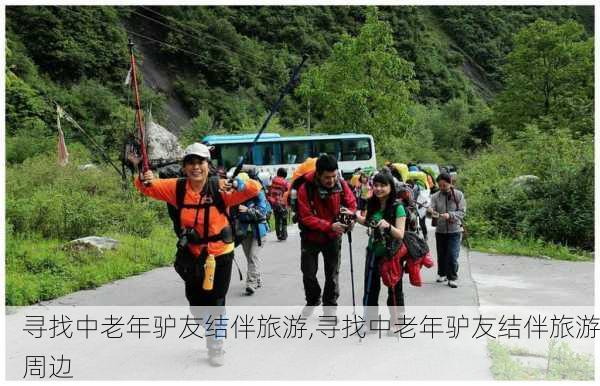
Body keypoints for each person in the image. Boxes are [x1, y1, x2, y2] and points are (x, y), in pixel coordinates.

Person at [129, 143, 261, 367]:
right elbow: (147, 187)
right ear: (184, 166)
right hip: (192, 254)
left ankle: (215, 344)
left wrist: (241, 182)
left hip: (220, 253)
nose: (196, 167)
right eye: (190, 163)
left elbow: (254, 189)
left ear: (207, 165)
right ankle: (211, 329)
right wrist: (143, 177)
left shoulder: (221, 187)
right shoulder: (177, 188)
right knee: (196, 303)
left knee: (216, 301)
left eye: (200, 162)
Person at [296, 154, 356, 316]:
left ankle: (330, 308)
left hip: (333, 238)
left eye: (334, 176)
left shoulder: (341, 185)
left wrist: (349, 217)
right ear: (318, 174)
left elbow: (352, 204)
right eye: (327, 177)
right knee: (308, 273)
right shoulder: (305, 188)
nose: (331, 180)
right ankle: (313, 299)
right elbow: (306, 217)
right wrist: (329, 226)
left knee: (332, 274)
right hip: (311, 237)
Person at [351, 171, 406, 334]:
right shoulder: (372, 204)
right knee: (370, 287)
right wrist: (354, 216)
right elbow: (368, 222)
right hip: (373, 251)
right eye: (376, 185)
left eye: (383, 185)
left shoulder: (398, 207)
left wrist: (387, 226)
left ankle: (397, 322)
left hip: (391, 254)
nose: (379, 188)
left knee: (394, 288)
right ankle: (370, 322)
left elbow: (400, 234)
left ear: (390, 187)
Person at [234, 171, 271, 296]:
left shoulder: (258, 193)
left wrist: (247, 210)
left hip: (259, 231)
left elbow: (262, 211)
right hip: (244, 232)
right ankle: (258, 279)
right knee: (250, 258)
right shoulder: (237, 195)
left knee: (253, 256)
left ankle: (251, 284)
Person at [428, 172, 466, 289]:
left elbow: (462, 212)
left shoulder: (459, 195)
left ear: (450, 183)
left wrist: (450, 215)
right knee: (442, 254)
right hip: (440, 230)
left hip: (455, 230)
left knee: (452, 255)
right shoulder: (435, 196)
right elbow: (431, 209)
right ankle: (442, 274)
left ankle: (452, 278)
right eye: (440, 185)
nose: (442, 188)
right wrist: (431, 211)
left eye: (444, 185)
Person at [267, 167, 291, 241]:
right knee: (284, 219)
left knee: (277, 219)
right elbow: (289, 191)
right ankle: (284, 234)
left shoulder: (272, 180)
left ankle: (278, 234)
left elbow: (268, 190)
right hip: (282, 203)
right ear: (285, 175)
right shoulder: (286, 182)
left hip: (273, 203)